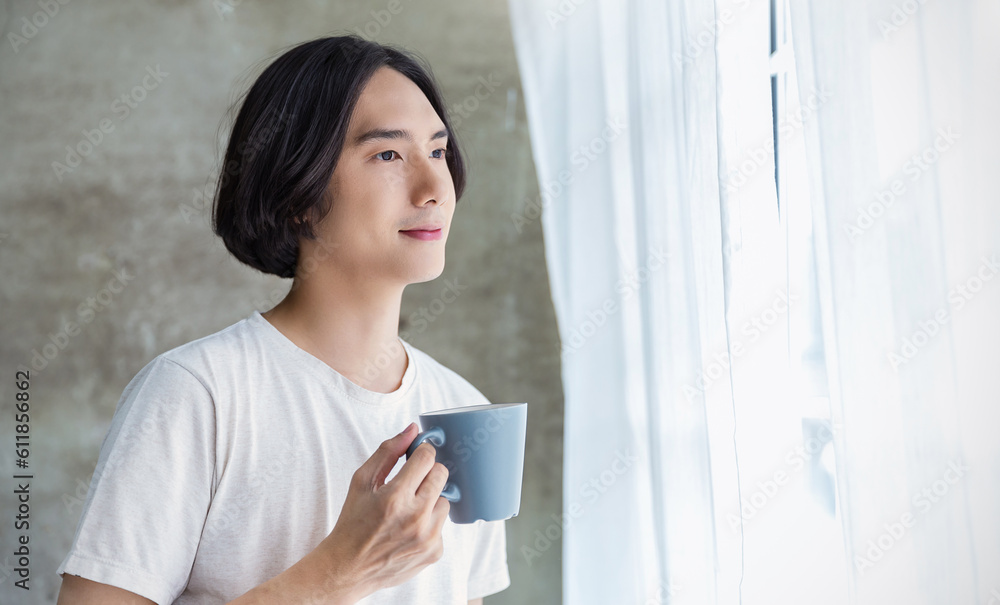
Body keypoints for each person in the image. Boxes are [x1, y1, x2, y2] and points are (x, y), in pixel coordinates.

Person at [55, 35, 510, 604]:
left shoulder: (463, 409)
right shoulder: (198, 396)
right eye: (388, 154)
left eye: (438, 152)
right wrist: (337, 572)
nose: (434, 188)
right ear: (297, 191)